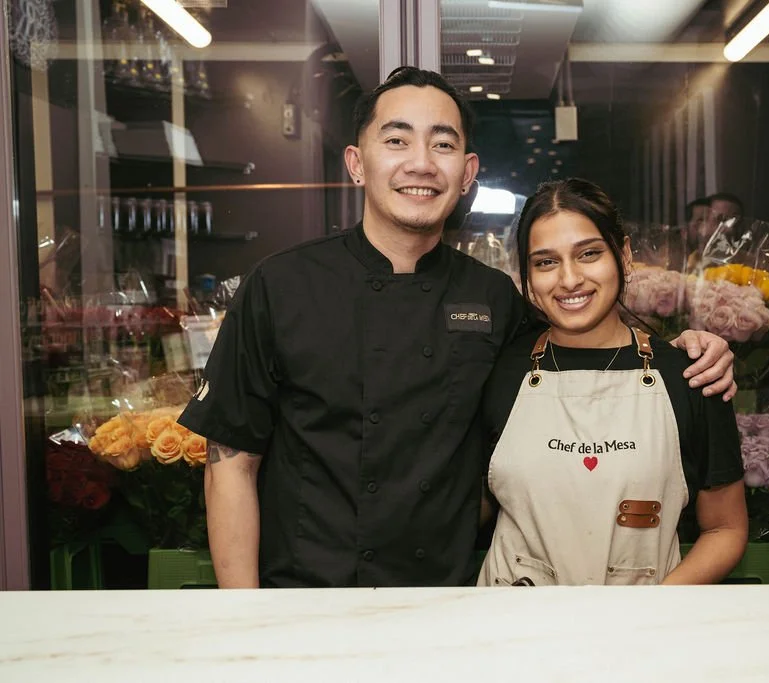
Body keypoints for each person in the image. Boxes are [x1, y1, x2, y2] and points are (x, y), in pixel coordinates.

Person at [177, 66, 738, 589]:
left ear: (467, 172)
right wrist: (242, 623)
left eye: (442, 144)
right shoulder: (279, 286)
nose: (421, 163)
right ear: (356, 162)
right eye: (396, 140)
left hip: (447, 601)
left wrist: (689, 349)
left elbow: (584, 347)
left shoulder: (494, 298)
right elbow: (231, 464)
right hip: (302, 595)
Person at [477, 178, 748, 586]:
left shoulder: (690, 375)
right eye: (546, 262)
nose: (569, 279)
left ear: (623, 255)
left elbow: (725, 529)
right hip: (514, 627)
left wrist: (651, 609)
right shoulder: (496, 371)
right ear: (527, 275)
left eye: (588, 254)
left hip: (641, 633)